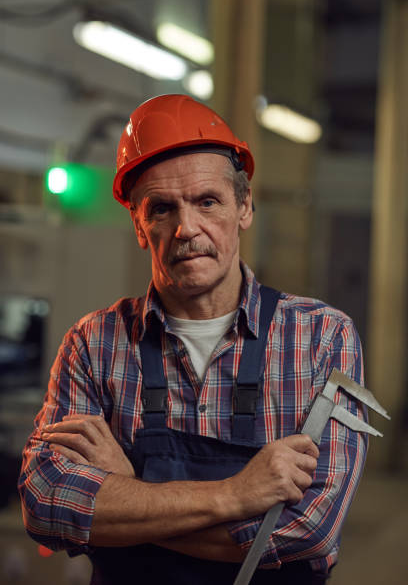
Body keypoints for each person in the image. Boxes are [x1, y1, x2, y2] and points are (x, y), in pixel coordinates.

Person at [19, 94, 367, 585]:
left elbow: (306, 531)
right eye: (162, 208)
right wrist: (235, 496)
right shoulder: (94, 343)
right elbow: (48, 505)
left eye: (207, 201)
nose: (186, 228)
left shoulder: (320, 338)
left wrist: (126, 492)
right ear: (139, 225)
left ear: (244, 206)